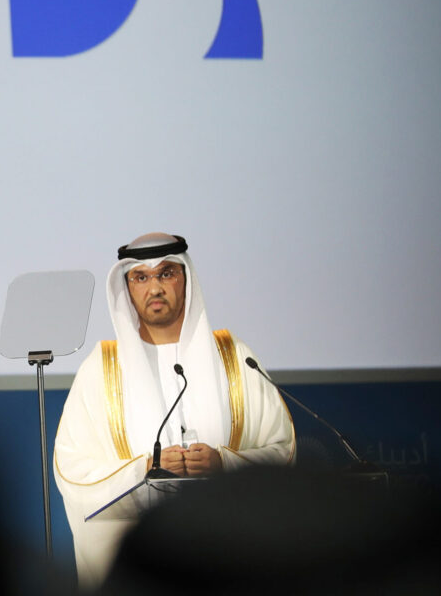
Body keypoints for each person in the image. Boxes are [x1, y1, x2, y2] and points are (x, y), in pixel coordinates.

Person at [54, 232, 296, 587]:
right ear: (127, 288)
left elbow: (282, 452)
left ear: (186, 279)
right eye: (141, 277)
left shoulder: (234, 357)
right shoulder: (102, 368)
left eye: (166, 273)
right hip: (144, 562)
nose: (154, 288)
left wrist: (223, 464)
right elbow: (72, 470)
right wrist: (145, 470)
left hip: (225, 554)